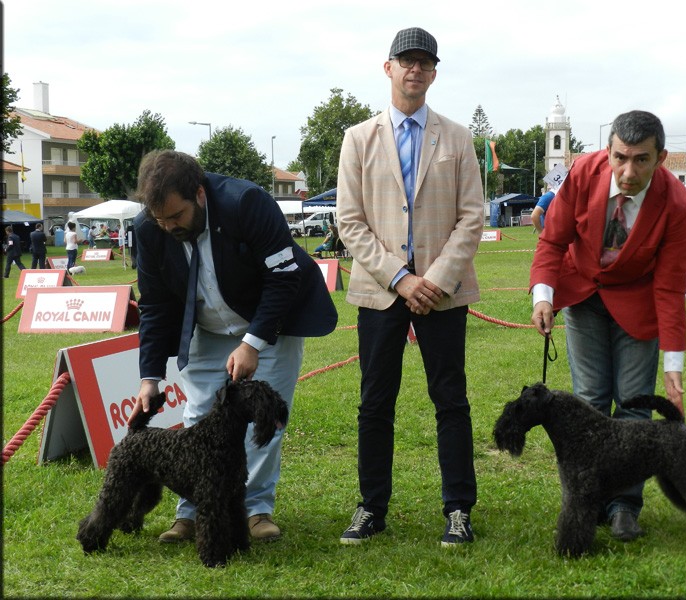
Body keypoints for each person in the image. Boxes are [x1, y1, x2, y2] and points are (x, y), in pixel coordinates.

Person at [129, 150, 338, 544]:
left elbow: (283, 276)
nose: (169, 226)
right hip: (205, 326)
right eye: (160, 220)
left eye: (176, 217)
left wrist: (253, 342)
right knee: (198, 416)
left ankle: (256, 509)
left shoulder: (247, 202)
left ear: (200, 195)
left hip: (269, 320)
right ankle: (190, 513)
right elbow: (155, 304)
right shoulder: (148, 228)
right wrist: (150, 377)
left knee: (263, 420)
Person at [336, 27, 484, 547]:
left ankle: (459, 509)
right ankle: (371, 507)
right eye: (406, 61)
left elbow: (472, 218)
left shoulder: (458, 138)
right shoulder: (358, 139)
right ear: (389, 68)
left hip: (444, 293)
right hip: (381, 292)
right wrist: (401, 279)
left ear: (434, 72)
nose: (415, 70)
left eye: (424, 63)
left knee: (451, 400)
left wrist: (434, 281)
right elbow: (349, 222)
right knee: (375, 402)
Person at [530, 110, 686, 542]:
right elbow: (552, 240)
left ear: (660, 158)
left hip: (638, 304)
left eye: (641, 160)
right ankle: (589, 501)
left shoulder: (676, 203)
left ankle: (624, 507)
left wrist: (673, 365)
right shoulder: (582, 172)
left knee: (635, 404)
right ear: (608, 151)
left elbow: (672, 287)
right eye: (620, 157)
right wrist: (543, 296)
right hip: (582, 295)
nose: (628, 171)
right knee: (588, 401)